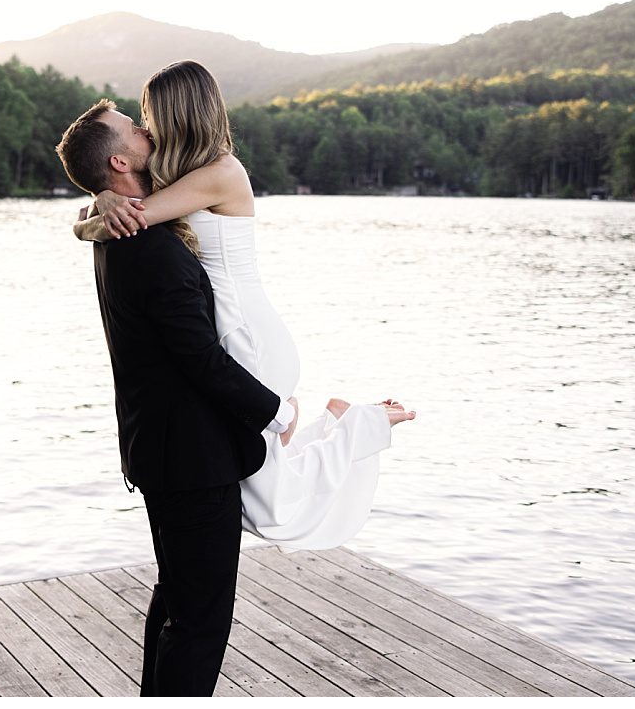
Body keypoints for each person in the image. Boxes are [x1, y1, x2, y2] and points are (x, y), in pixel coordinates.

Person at [72, 60, 414, 551]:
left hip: (246, 334)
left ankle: (359, 425)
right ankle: (330, 424)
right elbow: (109, 220)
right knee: (256, 479)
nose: (144, 128)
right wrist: (103, 197)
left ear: (176, 115)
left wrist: (100, 204)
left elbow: (129, 220)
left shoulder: (220, 173)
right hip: (235, 328)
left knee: (268, 502)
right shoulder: (183, 176)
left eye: (148, 115)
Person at [55, 96, 291, 697]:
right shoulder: (150, 246)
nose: (146, 128)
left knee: (178, 599)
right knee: (201, 622)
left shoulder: (119, 230)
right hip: (190, 456)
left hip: (157, 446)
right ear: (119, 161)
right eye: (133, 127)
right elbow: (202, 361)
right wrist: (274, 411)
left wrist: (97, 205)